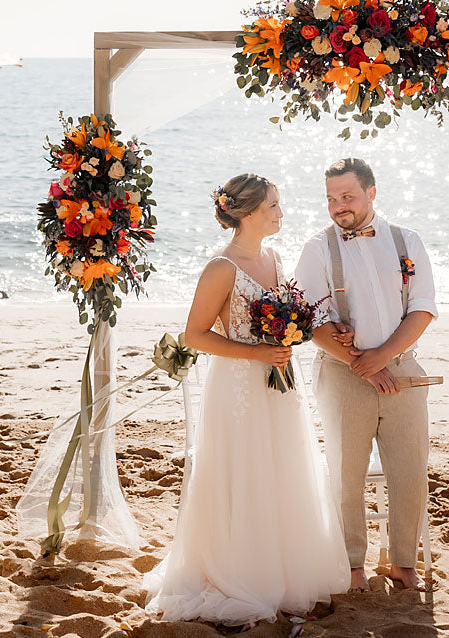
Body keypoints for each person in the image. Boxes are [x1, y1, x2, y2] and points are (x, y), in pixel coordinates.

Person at [144, 173, 349, 627]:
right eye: (274, 206)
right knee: (243, 472)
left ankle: (283, 573)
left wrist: (298, 335)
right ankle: (238, 573)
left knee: (282, 469)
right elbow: (196, 335)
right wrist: (257, 351)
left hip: (278, 382)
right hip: (237, 388)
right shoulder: (221, 267)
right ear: (250, 212)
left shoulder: (274, 257)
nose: (280, 213)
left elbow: (293, 315)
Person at [295, 157, 437, 592]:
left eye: (348, 196)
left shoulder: (405, 240)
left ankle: (403, 562)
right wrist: (362, 363)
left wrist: (383, 358)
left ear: (371, 192)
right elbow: (309, 322)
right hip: (342, 372)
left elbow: (423, 307)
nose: (339, 206)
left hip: (403, 368)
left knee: (410, 468)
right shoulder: (318, 248)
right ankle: (352, 564)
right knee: (346, 471)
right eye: (332, 199)